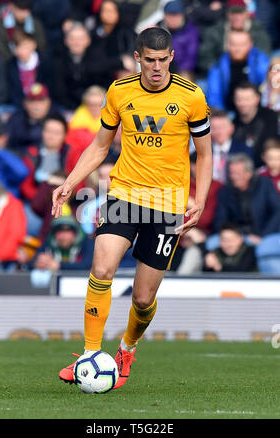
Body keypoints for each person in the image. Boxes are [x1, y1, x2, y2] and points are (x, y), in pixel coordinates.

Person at [52, 27, 212, 389]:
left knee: (143, 298)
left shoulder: (191, 97)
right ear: (138, 58)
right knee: (102, 267)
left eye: (163, 60)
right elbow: (99, 146)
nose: (157, 68)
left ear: (172, 57)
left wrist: (199, 200)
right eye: (150, 60)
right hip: (124, 193)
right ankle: (91, 353)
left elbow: (204, 154)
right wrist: (70, 182)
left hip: (168, 203)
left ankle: (127, 348)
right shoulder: (120, 91)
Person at [213, 153, 280, 243]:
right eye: (231, 173)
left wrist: (263, 236)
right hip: (237, 238)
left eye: (236, 173)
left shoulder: (265, 184)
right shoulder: (225, 192)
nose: (232, 177)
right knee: (212, 243)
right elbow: (220, 221)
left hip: (265, 235)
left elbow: (277, 211)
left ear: (249, 173)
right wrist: (239, 235)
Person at [198, 0, 271, 76]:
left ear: (246, 13)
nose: (237, 17)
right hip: (223, 74)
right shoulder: (216, 31)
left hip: (251, 72)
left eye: (240, 12)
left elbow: (264, 57)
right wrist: (218, 69)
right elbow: (205, 58)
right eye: (233, 13)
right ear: (227, 14)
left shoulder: (258, 30)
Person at [206, 29, 269, 110]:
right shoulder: (219, 65)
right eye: (234, 44)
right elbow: (214, 95)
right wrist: (222, 115)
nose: (238, 49)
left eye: (242, 44)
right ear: (227, 45)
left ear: (250, 45)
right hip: (228, 111)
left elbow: (266, 84)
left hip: (256, 110)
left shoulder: (259, 60)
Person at [233, 81, 279, 168]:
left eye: (247, 99)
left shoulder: (269, 117)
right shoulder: (233, 123)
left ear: (257, 99)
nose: (242, 103)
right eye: (239, 99)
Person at [6, 82, 57, 153]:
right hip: (20, 158)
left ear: (48, 102)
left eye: (40, 100)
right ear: (25, 103)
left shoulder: (56, 119)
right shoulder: (15, 119)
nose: (36, 105)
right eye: (32, 101)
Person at [7, 29, 50, 107]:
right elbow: (12, 91)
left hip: (42, 103)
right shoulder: (11, 65)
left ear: (34, 45)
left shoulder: (45, 62)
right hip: (19, 105)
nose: (21, 50)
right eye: (17, 46)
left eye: (25, 46)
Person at [158, 0, 199, 79]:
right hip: (160, 68)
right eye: (170, 15)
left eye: (176, 15)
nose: (172, 19)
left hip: (181, 70)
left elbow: (190, 58)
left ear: (182, 16)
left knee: (185, 77)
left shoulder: (191, 31)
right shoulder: (158, 29)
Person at [210, 108, 252, 183]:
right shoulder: (203, 151)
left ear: (232, 128)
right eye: (214, 128)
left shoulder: (244, 150)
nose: (218, 131)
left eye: (222, 127)